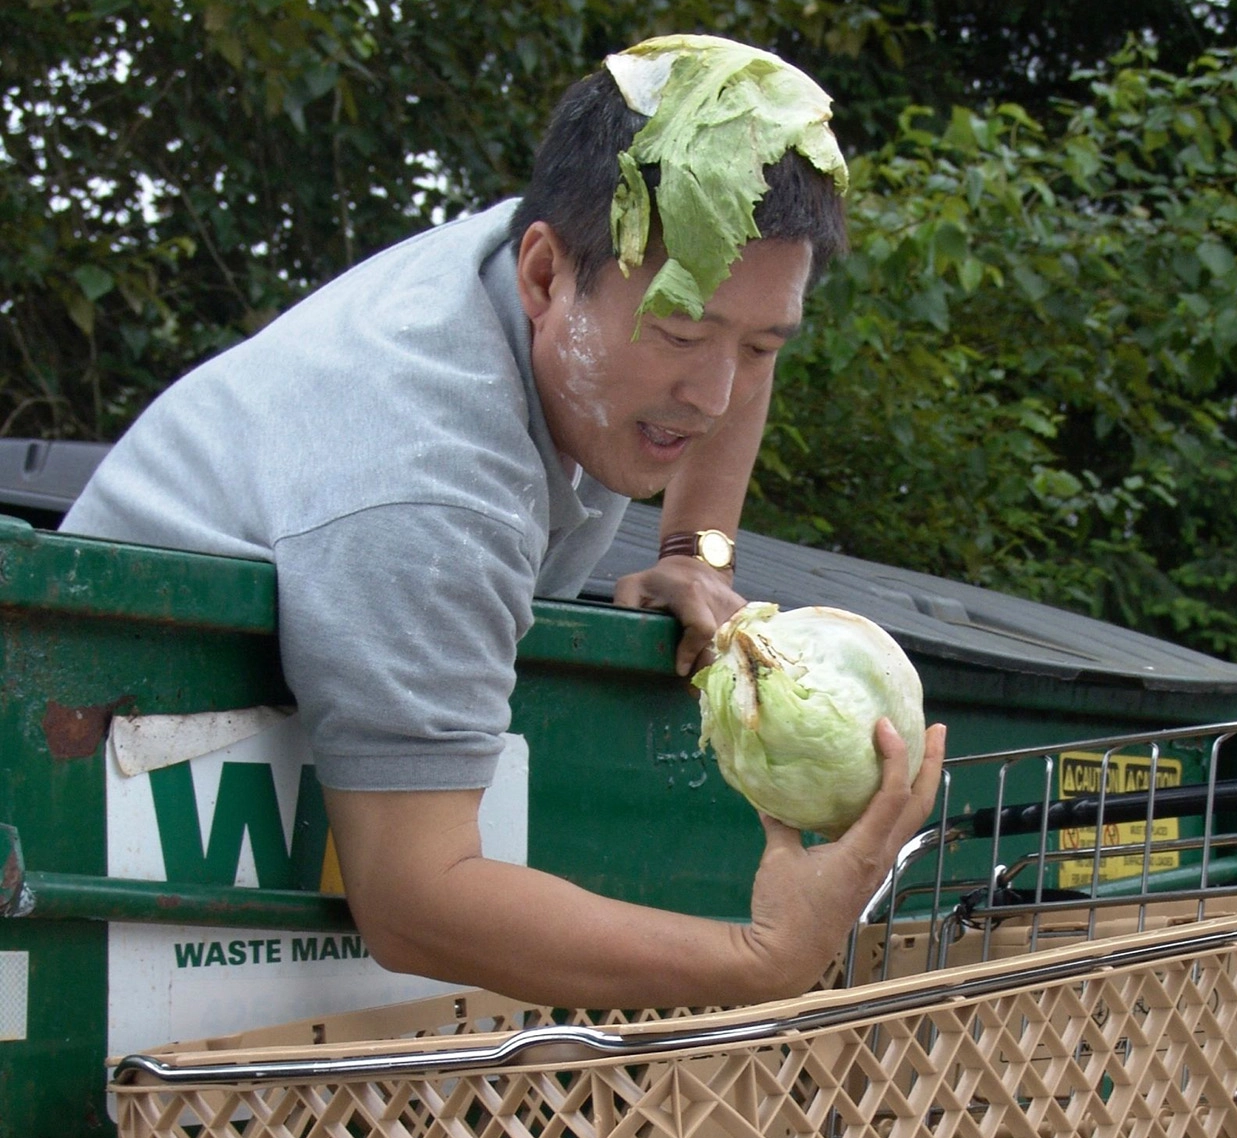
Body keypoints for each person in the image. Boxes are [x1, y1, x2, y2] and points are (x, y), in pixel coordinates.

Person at [62, 35, 946, 1009]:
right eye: (682, 334)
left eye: (760, 340)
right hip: (77, 801)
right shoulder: (431, 490)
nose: (714, 391)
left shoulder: (589, 241)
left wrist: (697, 550)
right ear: (543, 278)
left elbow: (733, 343)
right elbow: (412, 901)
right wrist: (765, 958)